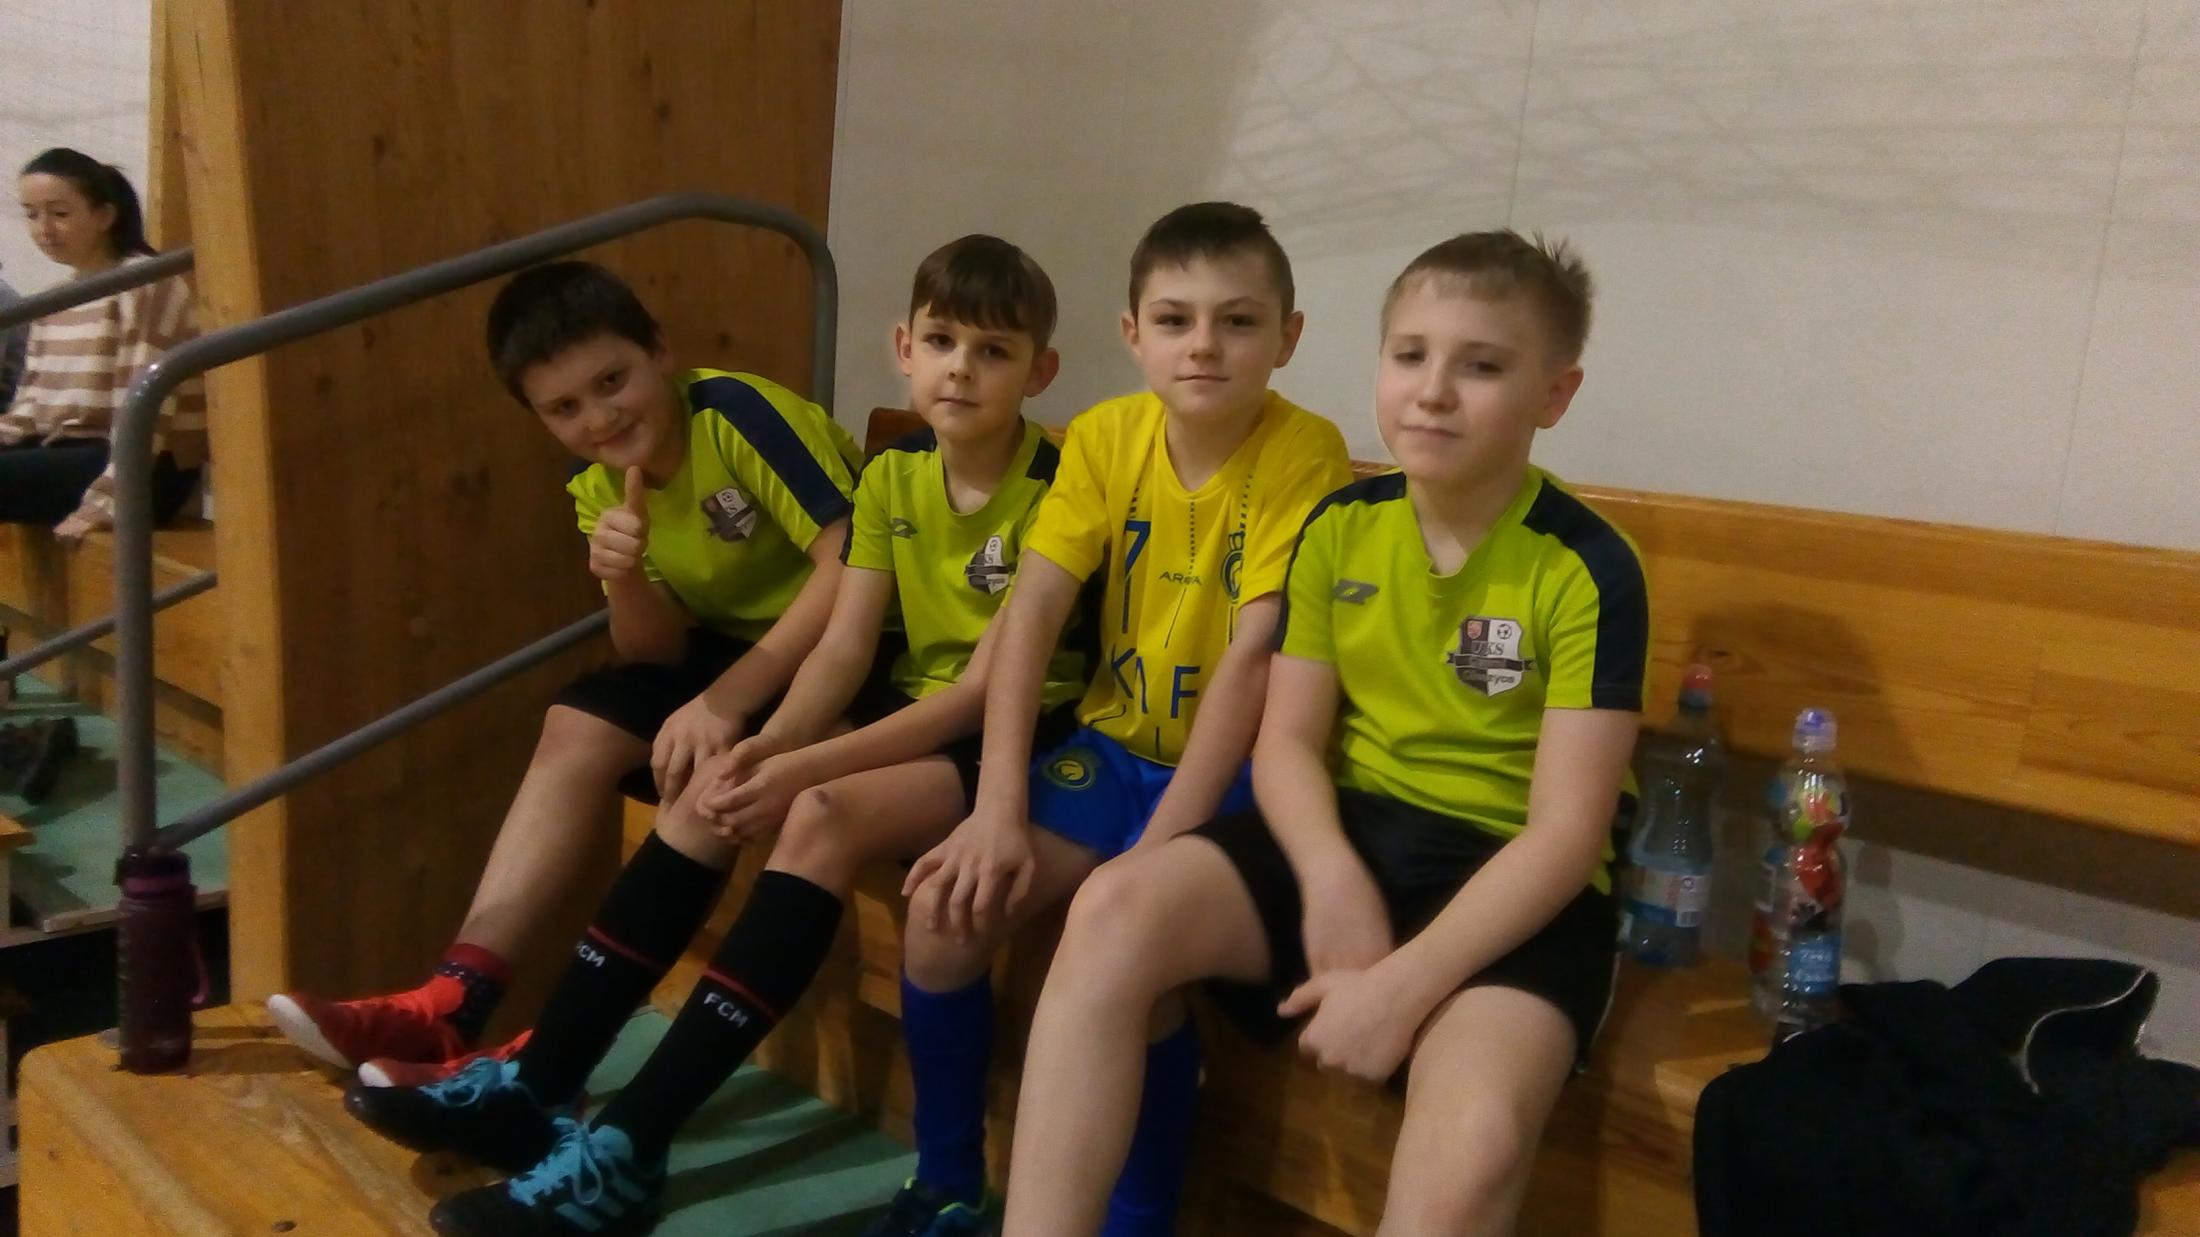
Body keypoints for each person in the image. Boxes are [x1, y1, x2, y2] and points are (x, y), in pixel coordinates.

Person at [345, 234, 1088, 1237]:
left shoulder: (1058, 487)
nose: (961, 369)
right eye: (943, 343)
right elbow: (841, 648)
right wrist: (762, 748)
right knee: (715, 788)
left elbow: (981, 695)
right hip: (911, 705)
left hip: (1025, 731)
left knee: (815, 810)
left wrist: (797, 760)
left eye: (993, 351)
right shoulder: (894, 472)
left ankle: (630, 1144)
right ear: (904, 348)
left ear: (1039, 370)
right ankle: (540, 1085)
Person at [999, 230, 1650, 1237]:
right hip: (1349, 831)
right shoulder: (1341, 525)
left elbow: (1567, 838)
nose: (1433, 391)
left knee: (1475, 1139)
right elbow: (1288, 745)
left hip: (1511, 880)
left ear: (1553, 395)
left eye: (1481, 366)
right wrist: (1330, 872)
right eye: (1410, 355)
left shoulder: (1588, 565)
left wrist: (1401, 984)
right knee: (1112, 909)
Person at [266, 260, 863, 1078]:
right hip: (737, 652)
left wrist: (726, 699)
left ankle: (558, 1056)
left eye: (612, 380)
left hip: (852, 650)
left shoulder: (735, 414)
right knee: (576, 720)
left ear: (660, 351)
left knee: (712, 770)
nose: (600, 417)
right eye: (564, 408)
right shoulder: (596, 482)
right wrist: (623, 574)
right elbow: (654, 653)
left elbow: (851, 563)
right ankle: (457, 996)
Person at [879, 202, 1351, 1236]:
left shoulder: (1305, 450)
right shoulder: (1101, 435)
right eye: (1175, 319)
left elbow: (1253, 660)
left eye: (1237, 320)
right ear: (1133, 333)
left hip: (1238, 774)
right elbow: (1032, 612)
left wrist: (1158, 849)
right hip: (1110, 747)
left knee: (1134, 957)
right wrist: (995, 806)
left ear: (1287, 337)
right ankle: (948, 1180)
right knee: (945, 915)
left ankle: (1137, 1221)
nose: (1204, 345)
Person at [2, 148, 204, 542]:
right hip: (67, 450)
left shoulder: (145, 281)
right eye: (31, 214)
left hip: (142, 467)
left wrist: (105, 502)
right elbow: (26, 412)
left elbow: (147, 407)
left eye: (60, 214)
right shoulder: (53, 300)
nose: (44, 229)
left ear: (105, 217)